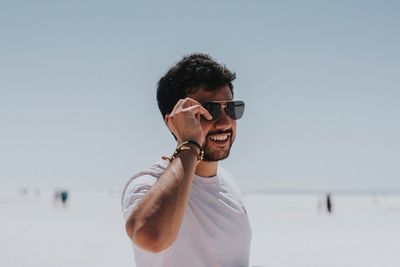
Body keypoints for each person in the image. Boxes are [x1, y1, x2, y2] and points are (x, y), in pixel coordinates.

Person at [121, 53, 252, 267]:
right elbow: (151, 237)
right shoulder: (149, 181)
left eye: (230, 108)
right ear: (173, 121)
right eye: (207, 111)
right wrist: (190, 144)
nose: (223, 122)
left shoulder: (227, 181)